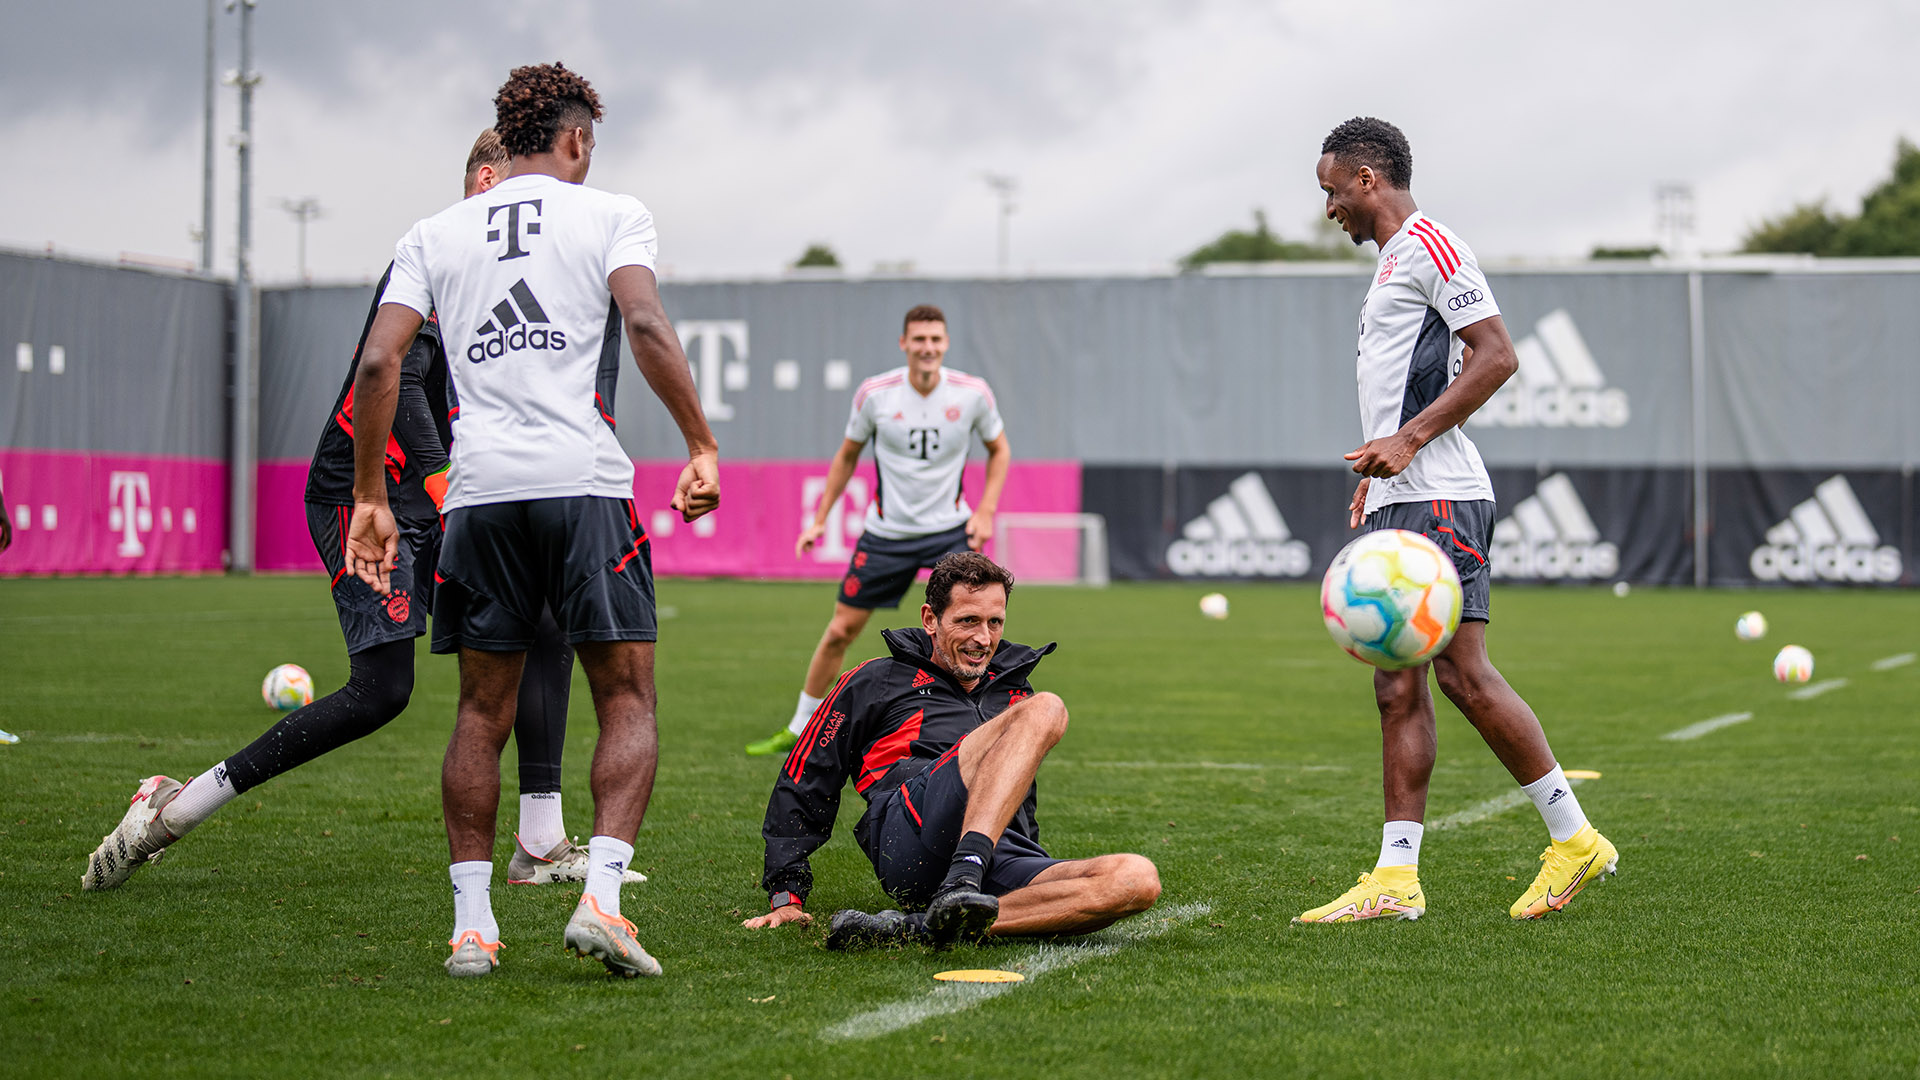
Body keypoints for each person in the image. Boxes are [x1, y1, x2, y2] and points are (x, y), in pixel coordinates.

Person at [79, 130, 632, 894]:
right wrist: (442, 485)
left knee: (543, 620)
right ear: (485, 180)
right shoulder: (442, 250)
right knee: (382, 692)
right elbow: (395, 378)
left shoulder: (539, 261)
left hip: (448, 492)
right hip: (362, 492)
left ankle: (539, 843)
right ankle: (173, 805)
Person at [346, 63, 718, 979]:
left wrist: (366, 500)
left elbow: (378, 368)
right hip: (584, 486)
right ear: (577, 138)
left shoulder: (432, 233)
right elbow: (646, 326)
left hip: (478, 496)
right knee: (625, 697)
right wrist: (701, 443)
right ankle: (601, 900)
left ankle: (473, 927)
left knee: (481, 710)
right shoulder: (611, 214)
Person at [1296, 117, 1616, 924]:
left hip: (1441, 495)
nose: (1328, 205)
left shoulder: (1432, 244)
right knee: (1395, 683)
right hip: (1402, 499)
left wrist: (1407, 441)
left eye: (1332, 189)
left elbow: (1498, 354)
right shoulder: (1390, 267)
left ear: (1368, 179)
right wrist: (1378, 475)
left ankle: (1574, 840)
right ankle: (1396, 879)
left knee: (1460, 673)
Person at [744, 552, 1160, 949]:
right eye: (968, 621)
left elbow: (1020, 794)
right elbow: (807, 774)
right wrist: (786, 894)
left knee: (1136, 880)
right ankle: (964, 877)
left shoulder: (1012, 689)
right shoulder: (877, 680)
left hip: (995, 848)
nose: (984, 638)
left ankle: (922, 926)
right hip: (909, 832)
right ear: (930, 619)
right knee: (1047, 708)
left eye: (995, 622)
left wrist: (1031, 859)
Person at [745, 305, 1012, 758]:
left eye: (935, 339)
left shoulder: (972, 393)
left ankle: (983, 722)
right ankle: (799, 726)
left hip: (950, 529)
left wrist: (984, 512)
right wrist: (819, 518)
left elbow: (999, 450)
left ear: (945, 344)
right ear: (904, 343)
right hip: (887, 534)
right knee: (839, 631)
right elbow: (847, 456)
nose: (927, 347)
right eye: (919, 339)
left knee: (972, 628)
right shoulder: (876, 394)